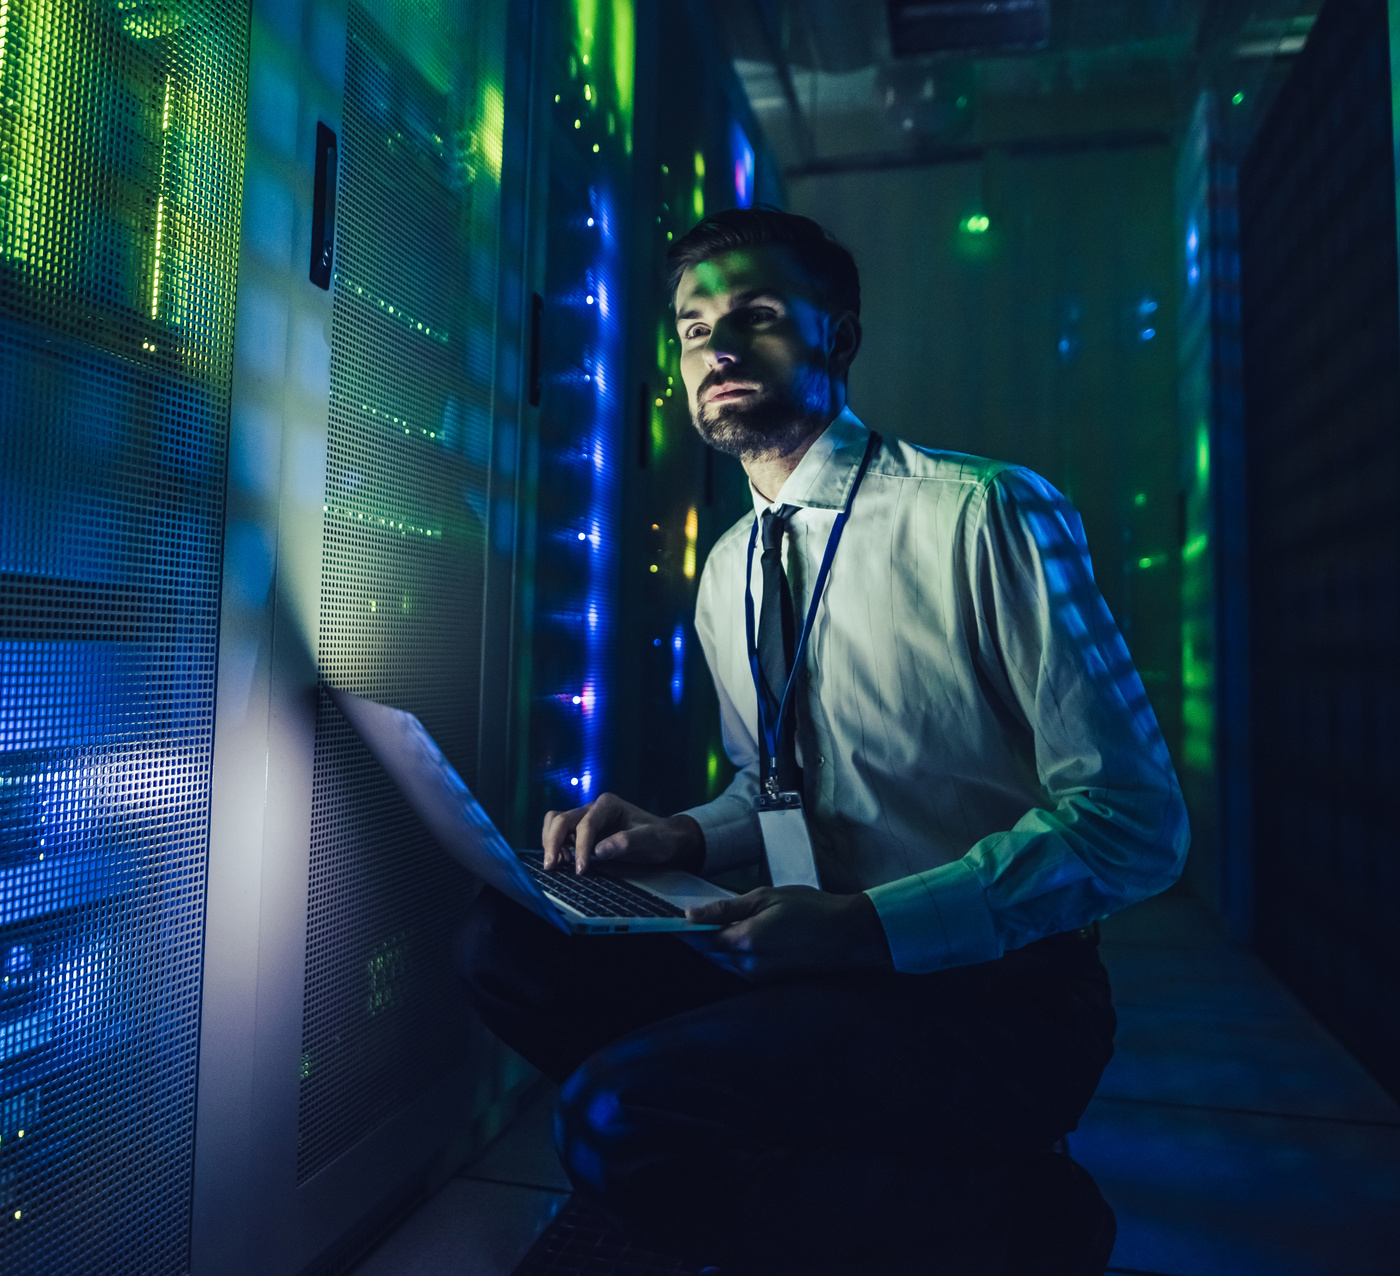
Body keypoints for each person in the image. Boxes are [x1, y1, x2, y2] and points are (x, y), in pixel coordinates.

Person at [455, 207, 1188, 1275]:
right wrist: (680, 837)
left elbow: (1136, 824)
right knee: (505, 946)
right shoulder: (729, 568)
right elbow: (774, 786)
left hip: (998, 998)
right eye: (693, 327)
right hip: (804, 962)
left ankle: (1021, 1216)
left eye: (754, 316)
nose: (716, 347)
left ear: (837, 338)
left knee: (617, 1118)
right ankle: (821, 1166)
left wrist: (866, 929)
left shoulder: (983, 513)